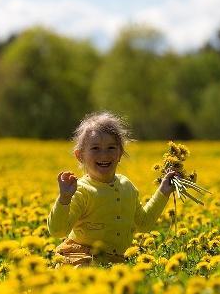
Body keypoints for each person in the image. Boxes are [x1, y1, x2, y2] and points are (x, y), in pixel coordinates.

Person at [48, 112, 177, 267]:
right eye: (95, 148)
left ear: (120, 153)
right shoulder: (81, 190)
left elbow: (144, 224)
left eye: (111, 147)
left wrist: (163, 192)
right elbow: (58, 231)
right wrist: (64, 199)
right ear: (80, 155)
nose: (104, 154)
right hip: (80, 259)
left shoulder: (126, 186)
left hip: (114, 263)